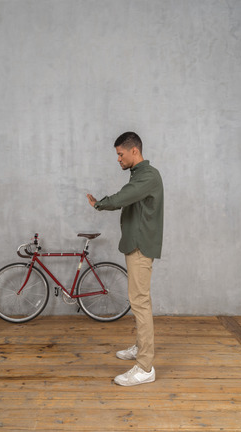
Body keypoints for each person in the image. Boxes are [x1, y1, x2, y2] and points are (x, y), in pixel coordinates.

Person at [87, 131, 164, 386]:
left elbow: (121, 198)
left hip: (141, 246)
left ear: (134, 151)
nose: (118, 159)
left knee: (140, 302)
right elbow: (126, 198)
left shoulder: (147, 176)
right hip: (136, 244)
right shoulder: (139, 176)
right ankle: (141, 346)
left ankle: (145, 367)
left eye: (120, 154)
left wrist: (100, 204)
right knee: (138, 299)